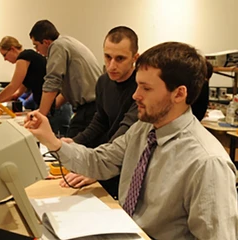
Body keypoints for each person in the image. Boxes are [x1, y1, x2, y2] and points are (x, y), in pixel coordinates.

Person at [24, 42, 238, 239]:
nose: (135, 95)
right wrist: (52, 141)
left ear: (179, 94)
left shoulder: (207, 163)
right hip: (124, 228)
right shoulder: (144, 129)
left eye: (146, 88)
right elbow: (100, 161)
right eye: (137, 86)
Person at [59, 26, 140, 200]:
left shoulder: (140, 87)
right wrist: (74, 141)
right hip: (111, 156)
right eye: (107, 57)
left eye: (120, 59)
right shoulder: (103, 81)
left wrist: (100, 168)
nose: (111, 65)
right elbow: (100, 121)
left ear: (135, 58)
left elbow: (125, 131)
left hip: (126, 165)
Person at [29, 20, 102, 138]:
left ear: (46, 42)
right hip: (94, 106)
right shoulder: (67, 42)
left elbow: (52, 82)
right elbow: (68, 90)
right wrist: (46, 110)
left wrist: (40, 117)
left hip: (89, 109)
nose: (37, 50)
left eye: (36, 45)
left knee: (69, 149)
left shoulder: (57, 46)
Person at [0, 36, 71, 135]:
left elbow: (13, 86)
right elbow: (16, 94)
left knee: (54, 142)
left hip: (55, 107)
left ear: (12, 49)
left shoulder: (24, 57)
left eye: (5, 55)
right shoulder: (30, 60)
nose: (5, 59)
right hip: (55, 107)